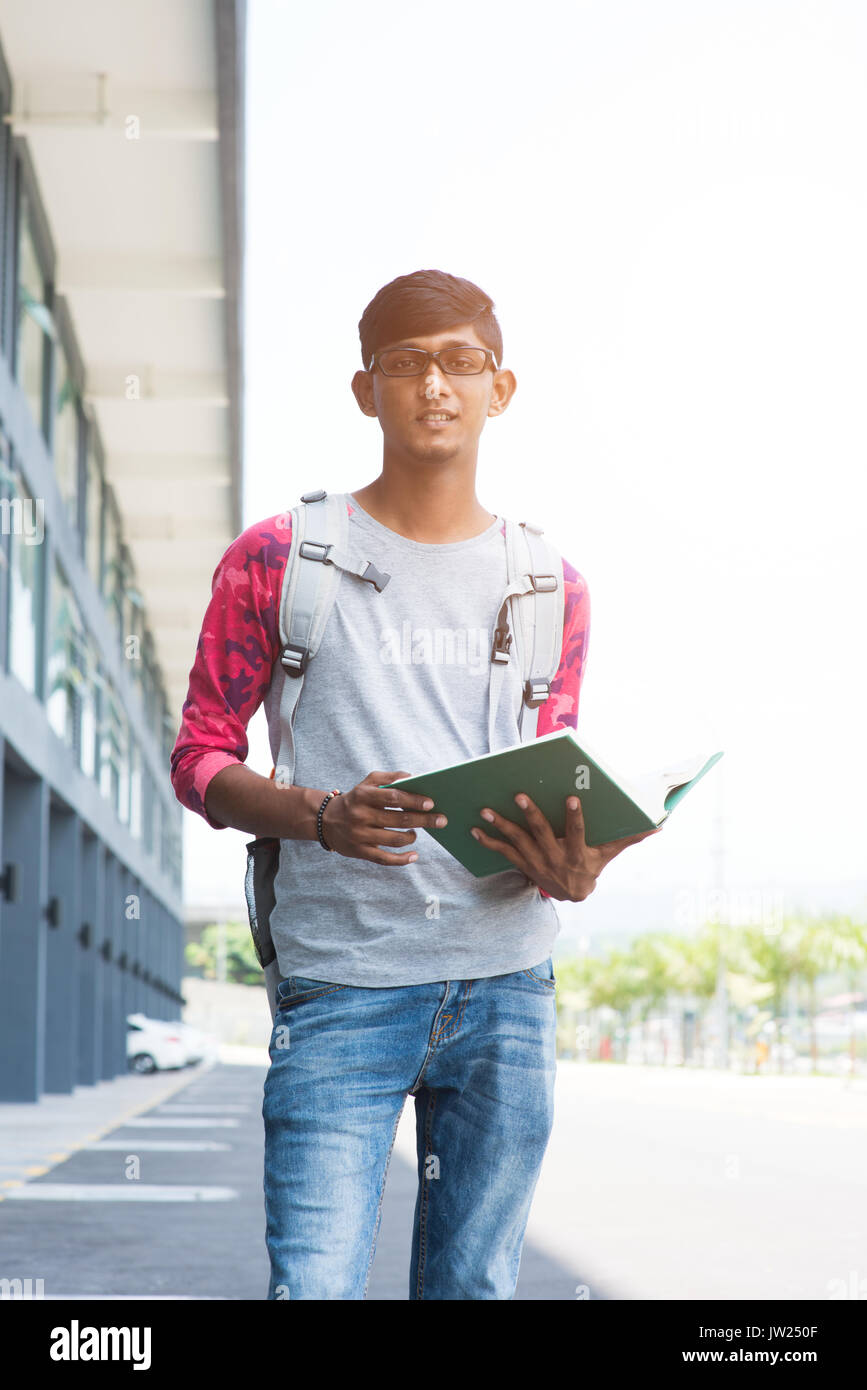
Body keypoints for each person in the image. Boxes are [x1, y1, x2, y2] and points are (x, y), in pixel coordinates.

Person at [170, 268, 656, 1300]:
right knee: (315, 1289)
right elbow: (200, 752)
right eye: (407, 363)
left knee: (474, 1290)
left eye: (460, 362)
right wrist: (319, 815)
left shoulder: (549, 583)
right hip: (340, 984)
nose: (435, 384)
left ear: (501, 388)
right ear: (366, 391)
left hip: (506, 986)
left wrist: (576, 862)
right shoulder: (281, 557)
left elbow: (546, 762)